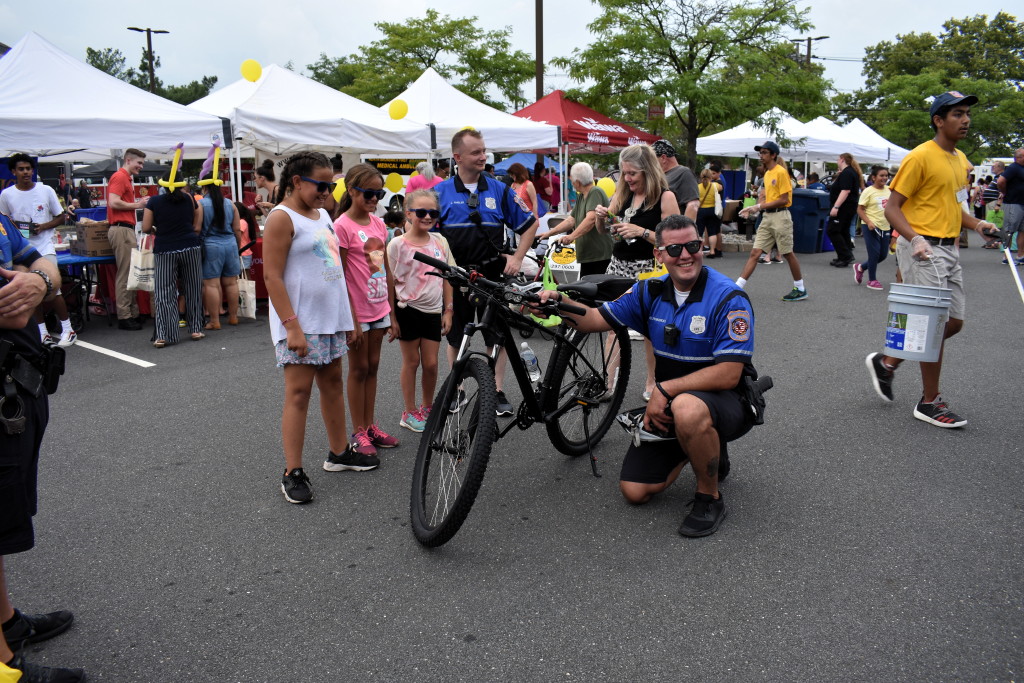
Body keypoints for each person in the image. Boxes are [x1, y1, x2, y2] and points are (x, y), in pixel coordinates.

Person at [535, 214, 757, 537]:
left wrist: (664, 392)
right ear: (659, 254)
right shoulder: (648, 292)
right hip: (675, 404)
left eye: (693, 245)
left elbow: (728, 373)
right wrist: (558, 304)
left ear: (702, 248)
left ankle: (709, 496)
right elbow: (594, 319)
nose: (685, 255)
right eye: (675, 248)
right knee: (634, 490)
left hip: (728, 400)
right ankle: (698, 445)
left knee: (687, 409)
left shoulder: (728, 298)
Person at [865, 91, 997, 428]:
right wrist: (915, 238)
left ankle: (888, 361)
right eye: (956, 114)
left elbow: (956, 207)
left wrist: (979, 223)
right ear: (938, 120)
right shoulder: (920, 157)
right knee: (934, 324)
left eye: (967, 113)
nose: (965, 119)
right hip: (922, 248)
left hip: (949, 249)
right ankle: (930, 401)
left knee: (953, 322)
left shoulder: (959, 160)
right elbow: (891, 207)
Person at [0, 212, 86, 682]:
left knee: (4, 513)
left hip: (17, 381)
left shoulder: (1, 222)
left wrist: (37, 282)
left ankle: (7, 626)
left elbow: (48, 267)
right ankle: (5, 669)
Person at [262, 152, 371, 504]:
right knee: (298, 394)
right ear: (296, 181)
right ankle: (292, 471)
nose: (327, 192)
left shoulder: (323, 214)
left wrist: (349, 317)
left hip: (329, 319)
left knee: (333, 385)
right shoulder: (282, 218)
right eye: (321, 185)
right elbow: (271, 277)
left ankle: (339, 452)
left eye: (331, 185)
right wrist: (292, 327)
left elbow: (335, 271)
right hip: (300, 322)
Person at [435, 129, 539, 417]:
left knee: (498, 337)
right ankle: (457, 389)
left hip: (492, 276)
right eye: (476, 152)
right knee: (456, 337)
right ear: (457, 157)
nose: (483, 156)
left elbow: (530, 223)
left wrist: (517, 258)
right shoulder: (439, 192)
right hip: (455, 278)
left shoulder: (499, 189)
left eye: (484, 151)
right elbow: (424, 236)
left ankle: (495, 390)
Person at [594, 143, 681, 402]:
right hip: (618, 267)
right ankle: (608, 384)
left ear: (648, 171)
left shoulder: (665, 197)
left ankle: (653, 382)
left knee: (650, 331)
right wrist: (602, 217)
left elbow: (674, 241)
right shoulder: (623, 194)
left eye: (633, 173)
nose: (627, 178)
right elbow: (604, 231)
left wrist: (641, 231)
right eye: (624, 173)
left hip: (649, 270)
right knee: (611, 326)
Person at [335, 163, 400, 456]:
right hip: (356, 312)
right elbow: (341, 275)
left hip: (379, 308)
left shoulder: (378, 224)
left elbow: (383, 268)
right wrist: (351, 319)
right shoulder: (342, 227)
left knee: (373, 368)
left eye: (379, 193)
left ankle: (370, 426)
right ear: (351, 191)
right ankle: (358, 430)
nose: (374, 199)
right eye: (368, 193)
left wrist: (392, 313)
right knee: (358, 369)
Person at [387, 189, 455, 432]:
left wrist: (448, 311)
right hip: (407, 309)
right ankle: (409, 411)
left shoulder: (439, 242)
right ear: (408, 214)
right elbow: (389, 281)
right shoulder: (397, 244)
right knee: (412, 361)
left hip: (433, 311)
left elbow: (447, 278)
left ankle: (427, 407)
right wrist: (391, 317)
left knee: (431, 363)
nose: (428, 217)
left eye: (433, 213)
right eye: (422, 212)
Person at [0, 154, 76, 347]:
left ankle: (68, 328)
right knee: (28, 291)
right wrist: (19, 227)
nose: (25, 172)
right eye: (21, 169)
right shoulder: (7, 195)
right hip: (21, 249)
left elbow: (61, 217)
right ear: (13, 172)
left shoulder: (46, 190)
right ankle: (42, 332)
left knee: (53, 288)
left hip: (44, 246)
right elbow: (6, 223)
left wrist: (43, 227)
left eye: (28, 168)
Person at [737, 141, 807, 301]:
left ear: (773, 155)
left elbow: (784, 199)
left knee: (788, 253)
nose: (761, 156)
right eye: (760, 153)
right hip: (767, 217)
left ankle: (800, 288)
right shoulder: (767, 174)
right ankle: (736, 287)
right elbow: (767, 198)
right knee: (755, 253)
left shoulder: (781, 172)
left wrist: (759, 207)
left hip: (781, 217)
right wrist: (753, 208)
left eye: (764, 153)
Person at [142, 173, 204, 347]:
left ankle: (164, 334)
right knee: (192, 287)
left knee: (164, 292)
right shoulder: (189, 198)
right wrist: (193, 229)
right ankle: (196, 328)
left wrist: (156, 230)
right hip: (190, 245)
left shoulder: (154, 201)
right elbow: (198, 213)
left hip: (165, 248)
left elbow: (146, 227)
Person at [105, 148, 150, 330]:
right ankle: (125, 316)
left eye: (141, 164)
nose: (140, 166)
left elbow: (116, 202)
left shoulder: (125, 178)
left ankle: (131, 313)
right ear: (128, 160)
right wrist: (137, 204)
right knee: (125, 273)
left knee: (130, 272)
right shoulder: (120, 176)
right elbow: (113, 202)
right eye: (138, 163)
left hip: (126, 229)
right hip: (121, 229)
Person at [546, 162, 614, 276]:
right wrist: (550, 233)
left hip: (598, 256)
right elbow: (571, 220)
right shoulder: (582, 195)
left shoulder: (595, 192)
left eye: (572, 180)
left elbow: (591, 219)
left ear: (577, 182)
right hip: (589, 255)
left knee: (595, 290)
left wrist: (571, 236)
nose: (571, 182)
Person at [199, 182, 243, 330]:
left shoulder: (201, 204)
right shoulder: (231, 204)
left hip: (210, 246)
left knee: (211, 284)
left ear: (205, 188)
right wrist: (237, 247)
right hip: (230, 244)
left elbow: (197, 228)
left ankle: (214, 320)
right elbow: (237, 229)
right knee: (231, 283)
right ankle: (233, 317)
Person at [853, 166, 892, 291]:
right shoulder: (868, 191)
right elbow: (860, 209)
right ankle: (872, 280)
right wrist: (868, 221)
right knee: (874, 254)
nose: (884, 178)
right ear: (874, 177)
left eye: (886, 175)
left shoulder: (889, 190)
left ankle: (861, 268)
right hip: (871, 226)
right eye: (881, 175)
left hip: (885, 226)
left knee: (882, 255)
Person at [827, 153, 864, 268]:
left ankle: (845, 255)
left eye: (838, 159)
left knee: (833, 230)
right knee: (843, 231)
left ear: (842, 159)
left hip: (844, 207)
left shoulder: (847, 173)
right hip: (849, 206)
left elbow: (845, 191)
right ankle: (845, 255)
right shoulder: (849, 172)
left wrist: (836, 207)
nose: (837, 161)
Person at [652, 140, 699, 221]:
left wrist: (685, 230)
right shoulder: (660, 175)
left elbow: (693, 205)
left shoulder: (684, 173)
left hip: (673, 228)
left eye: (653, 159)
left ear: (663, 158)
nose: (651, 163)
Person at [996, 148, 1024, 265]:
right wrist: (1005, 192)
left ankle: (1020, 256)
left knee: (1022, 230)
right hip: (1013, 203)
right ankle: (1006, 256)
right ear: (1019, 157)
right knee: (1009, 230)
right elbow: (1001, 181)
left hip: (1022, 203)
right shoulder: (1013, 168)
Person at [696, 169, 724, 259]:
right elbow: (722, 187)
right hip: (712, 210)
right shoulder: (715, 185)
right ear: (710, 176)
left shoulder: (697, 187)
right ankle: (712, 251)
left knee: (699, 232)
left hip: (701, 211)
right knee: (712, 232)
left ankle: (699, 251)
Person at [234, 201, 259, 271]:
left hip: (243, 253)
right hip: (243, 253)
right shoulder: (242, 221)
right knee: (244, 276)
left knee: (245, 276)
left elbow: (237, 235)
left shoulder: (241, 222)